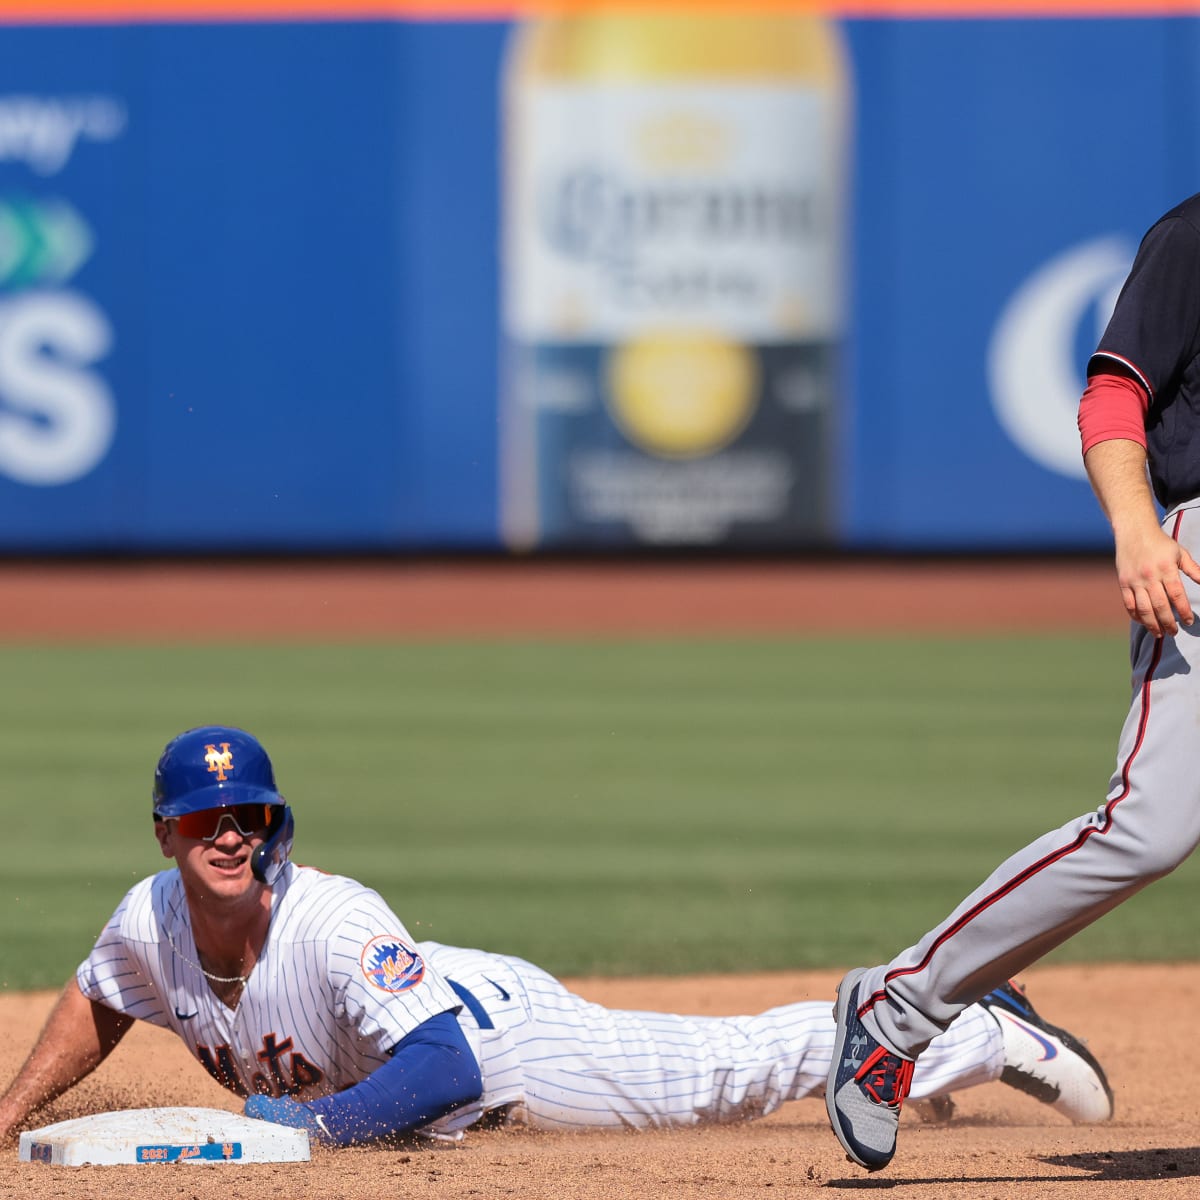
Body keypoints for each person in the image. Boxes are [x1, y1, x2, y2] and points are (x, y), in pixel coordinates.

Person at [0, 726, 1112, 1149]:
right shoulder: (147, 920)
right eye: (205, 818)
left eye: (249, 815)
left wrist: (310, 1130)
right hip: (413, 1052)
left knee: (732, 1071)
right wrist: (9, 1116)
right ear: (165, 833)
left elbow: (447, 1067)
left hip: (502, 1043)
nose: (228, 833)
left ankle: (968, 1029)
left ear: (275, 826)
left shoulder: (331, 919)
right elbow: (100, 997)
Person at [826, 192, 1200, 1173]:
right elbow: (1115, 394)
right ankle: (898, 1005)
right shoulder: (1193, 237)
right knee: (1153, 824)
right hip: (1194, 554)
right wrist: (1134, 528)